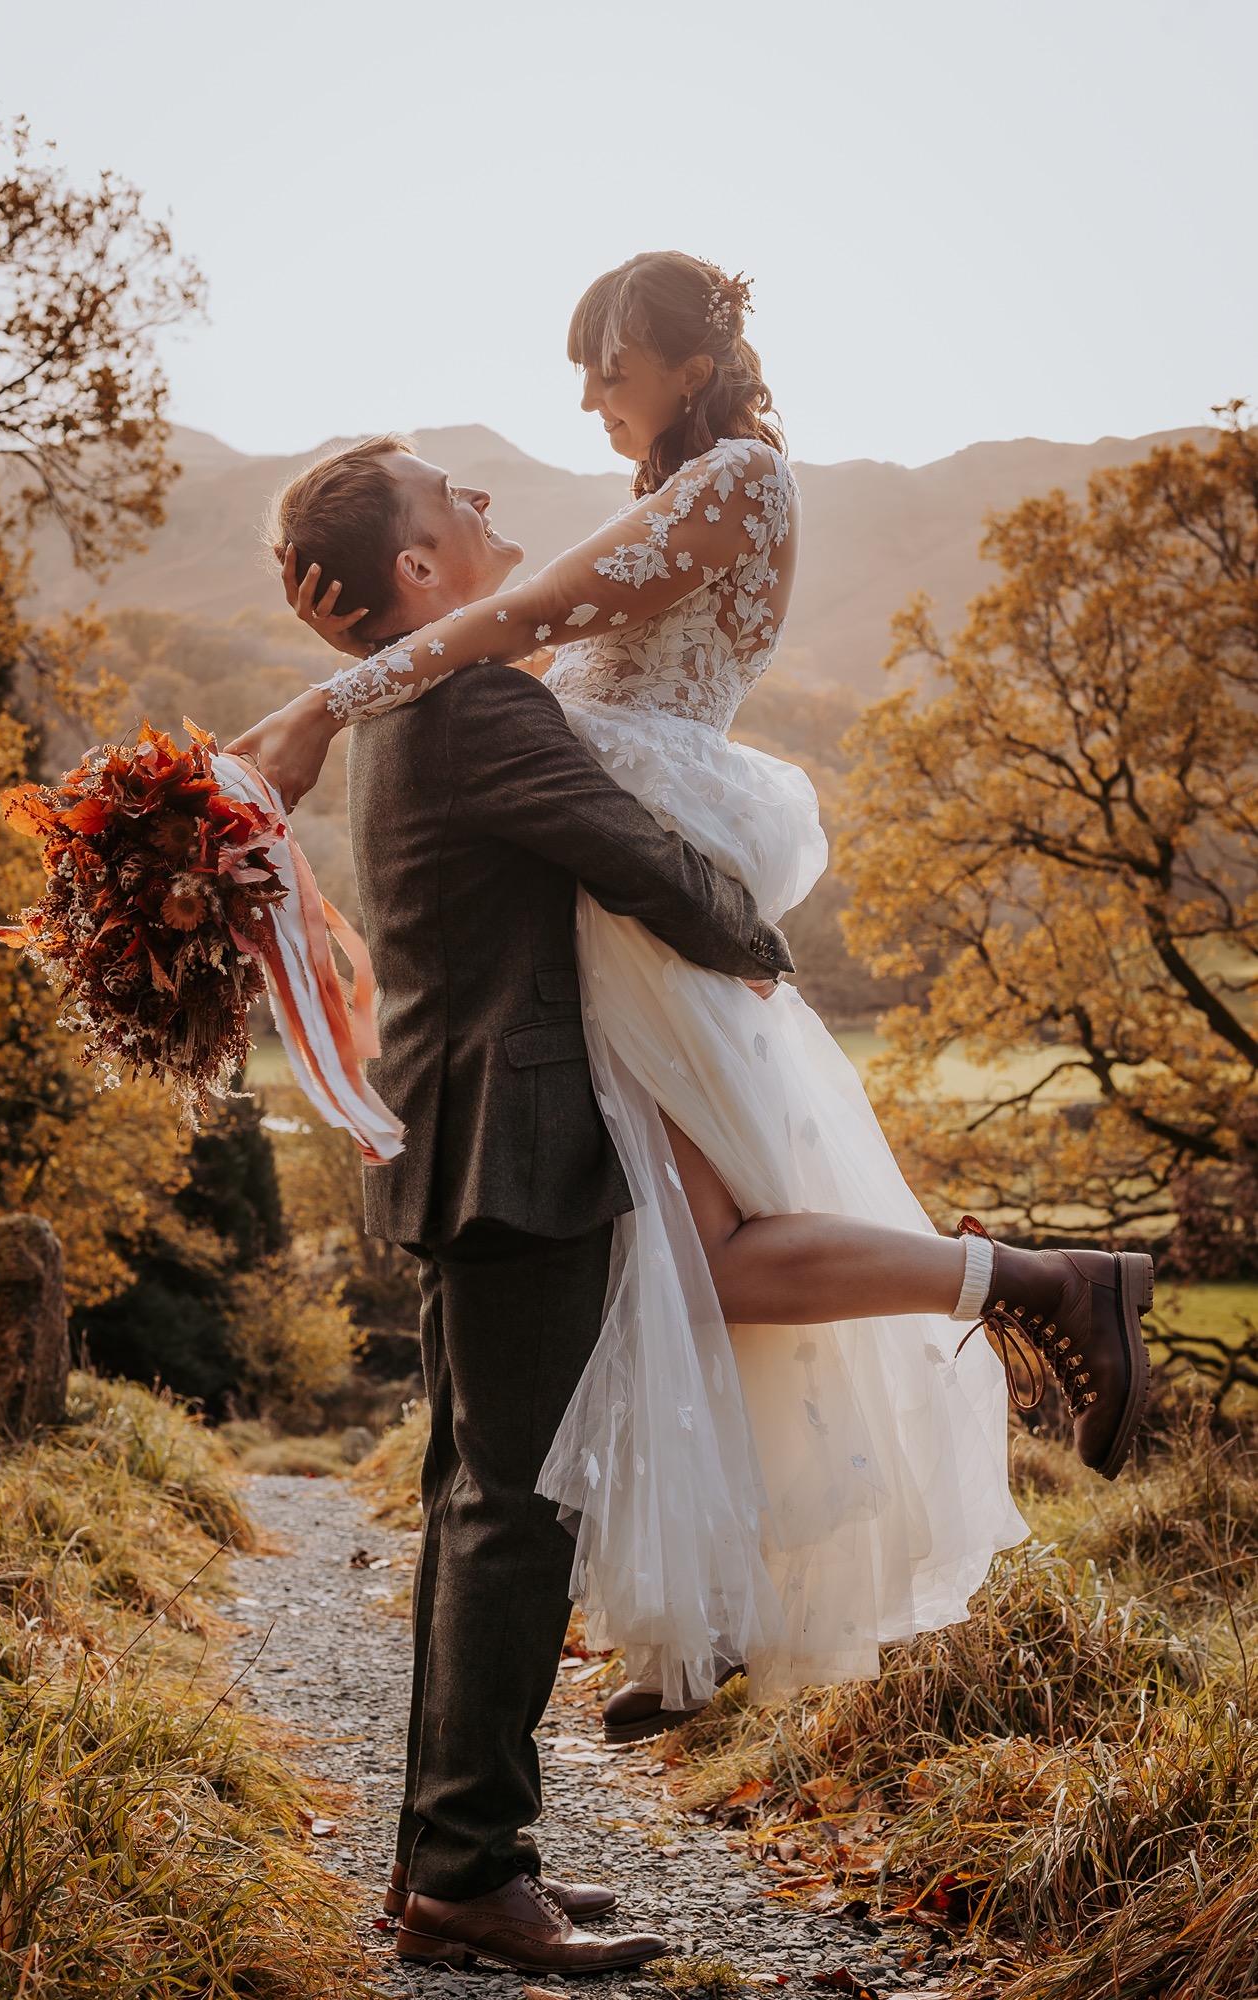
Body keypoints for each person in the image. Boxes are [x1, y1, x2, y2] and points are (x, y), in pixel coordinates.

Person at [228, 249, 1152, 1926]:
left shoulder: (443, 704)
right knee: (505, 1510)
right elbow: (644, 863)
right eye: (453, 491)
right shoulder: (476, 709)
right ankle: (467, 1873)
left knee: (495, 1484)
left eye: (600, 374)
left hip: (478, 1141)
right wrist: (754, 949)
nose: (521, 462)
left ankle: (461, 1860)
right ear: (422, 565)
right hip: (511, 1149)